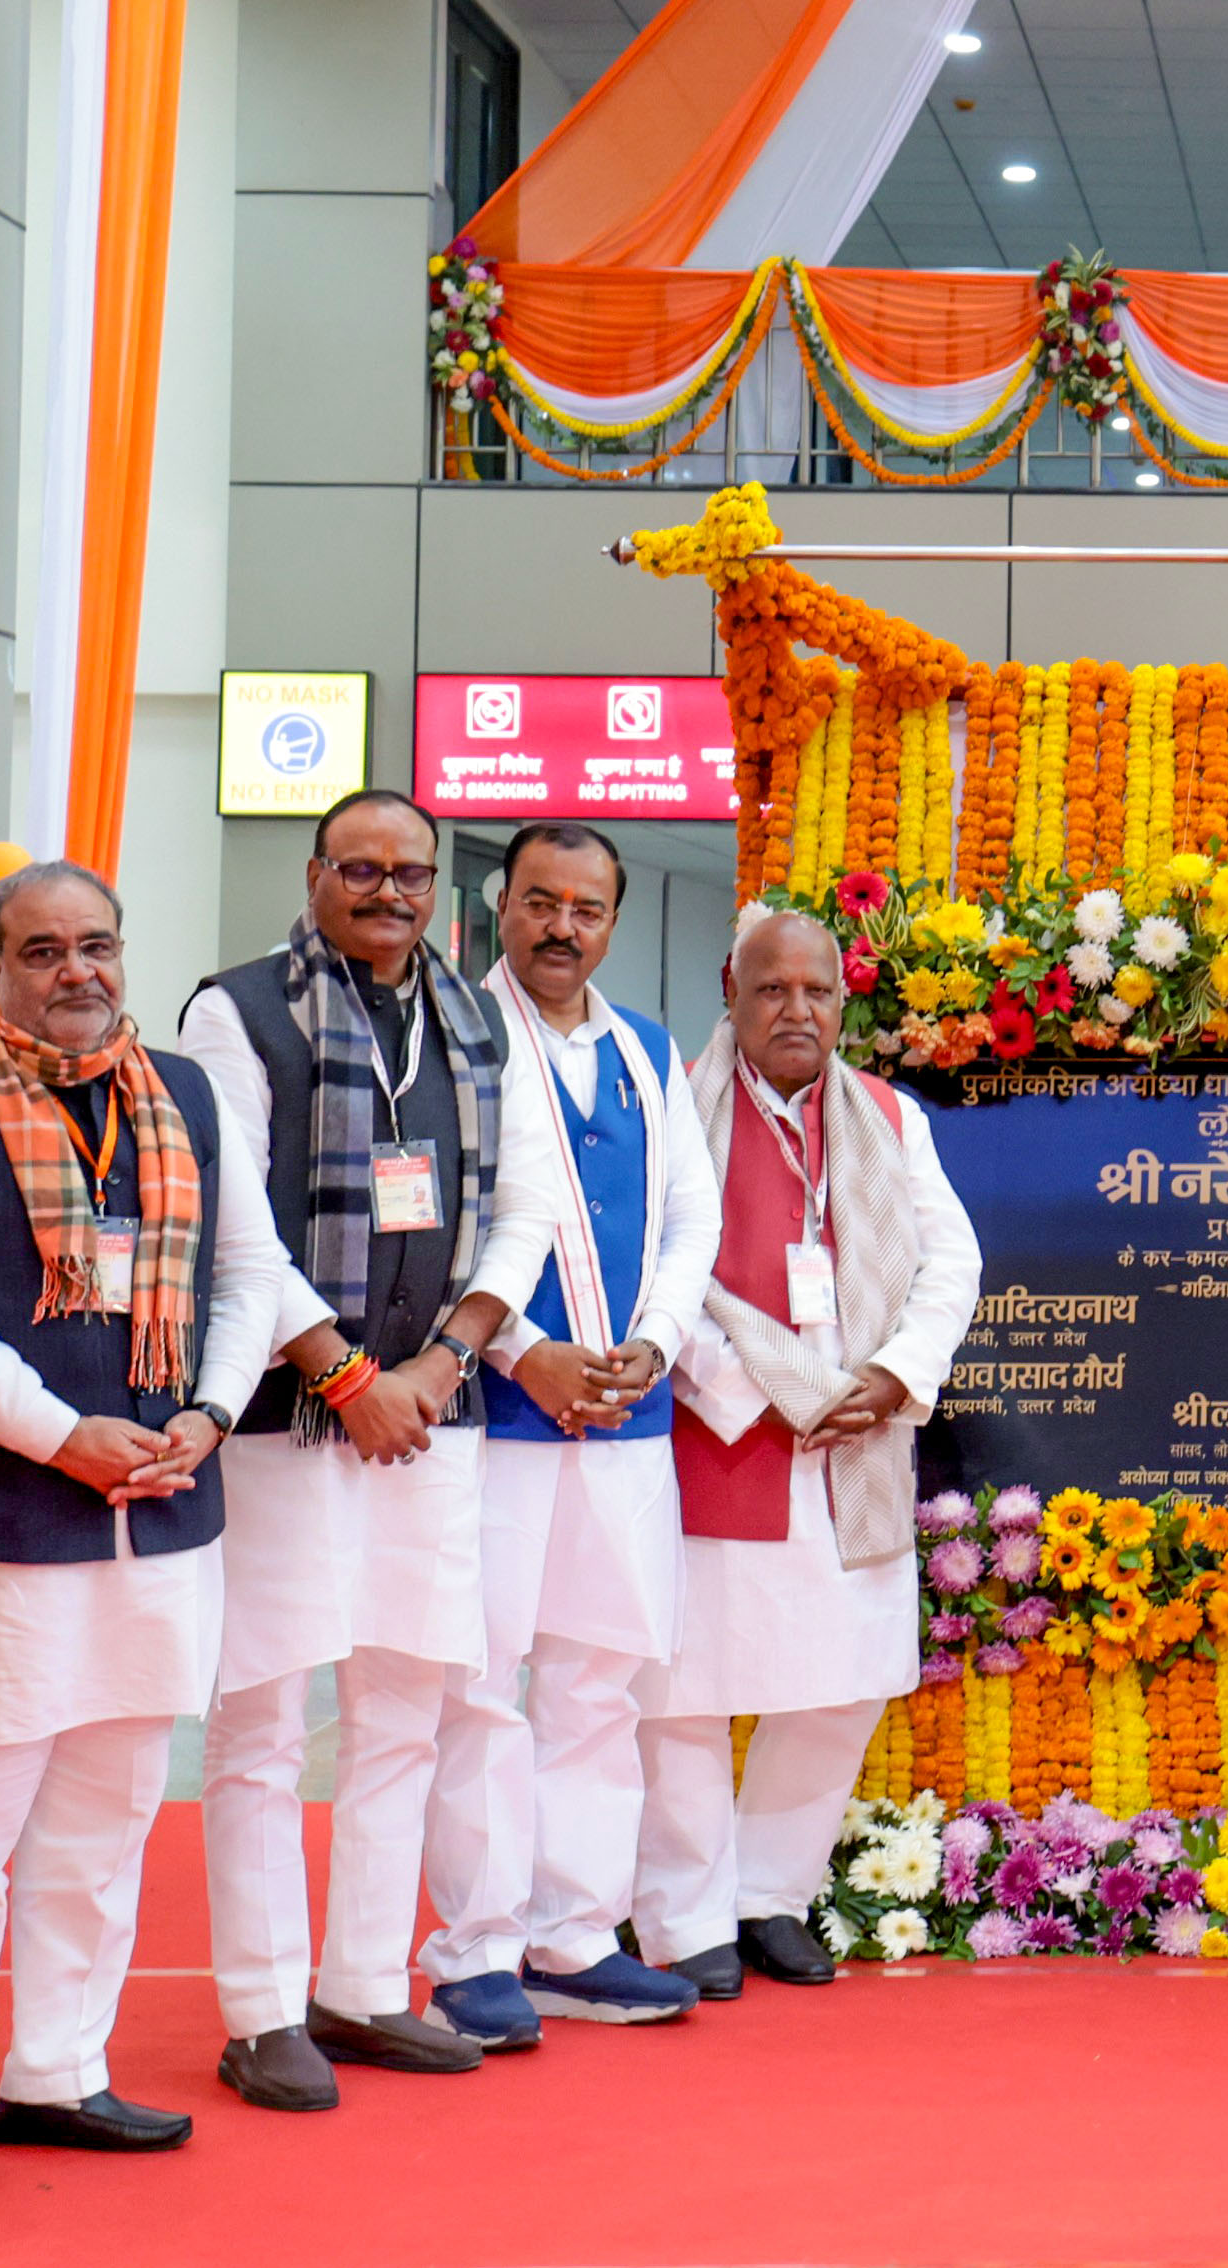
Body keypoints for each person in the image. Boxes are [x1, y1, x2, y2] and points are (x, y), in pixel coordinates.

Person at [0, 862, 328, 2192]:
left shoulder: (185, 1096)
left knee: (109, 1817)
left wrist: (216, 1409)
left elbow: (246, 1277)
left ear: (124, 951)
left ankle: (59, 2070)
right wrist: (60, 1433)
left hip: (157, 1522)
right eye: (43, 949)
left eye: (97, 944)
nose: (77, 972)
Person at [177, 788, 528, 2108]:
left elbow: (526, 1208)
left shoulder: (477, 1015)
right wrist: (341, 1369)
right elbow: (230, 1222)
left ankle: (365, 1987)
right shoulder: (238, 1008)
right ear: (316, 873)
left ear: (441, 886)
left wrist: (438, 1366)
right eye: (362, 868)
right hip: (281, 1415)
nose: (390, 892)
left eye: (413, 873)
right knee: (264, 1715)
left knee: (407, 1709)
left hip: (432, 1418)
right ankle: (263, 2007)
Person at [637, 909, 982, 1992]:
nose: (796, 1011)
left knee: (839, 1682)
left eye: (817, 993)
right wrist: (758, 1390)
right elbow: (652, 1272)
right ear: (732, 992)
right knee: (686, 1688)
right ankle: (685, 1913)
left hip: (859, 1435)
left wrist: (895, 1375)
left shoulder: (888, 1115)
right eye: (772, 990)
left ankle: (768, 1895)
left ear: (843, 1001)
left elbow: (951, 1260)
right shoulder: (673, 1108)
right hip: (721, 1428)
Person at [418, 823, 721, 2039]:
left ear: (611, 919)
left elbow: (688, 1217)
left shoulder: (647, 1048)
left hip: (628, 1415)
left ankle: (576, 1935)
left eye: (586, 908)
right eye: (539, 901)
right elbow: (430, 1222)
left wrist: (653, 1339)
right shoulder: (450, 1040)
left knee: (600, 1682)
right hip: (494, 1414)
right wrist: (518, 1351)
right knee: (483, 1686)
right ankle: (476, 1947)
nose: (561, 926)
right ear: (500, 906)